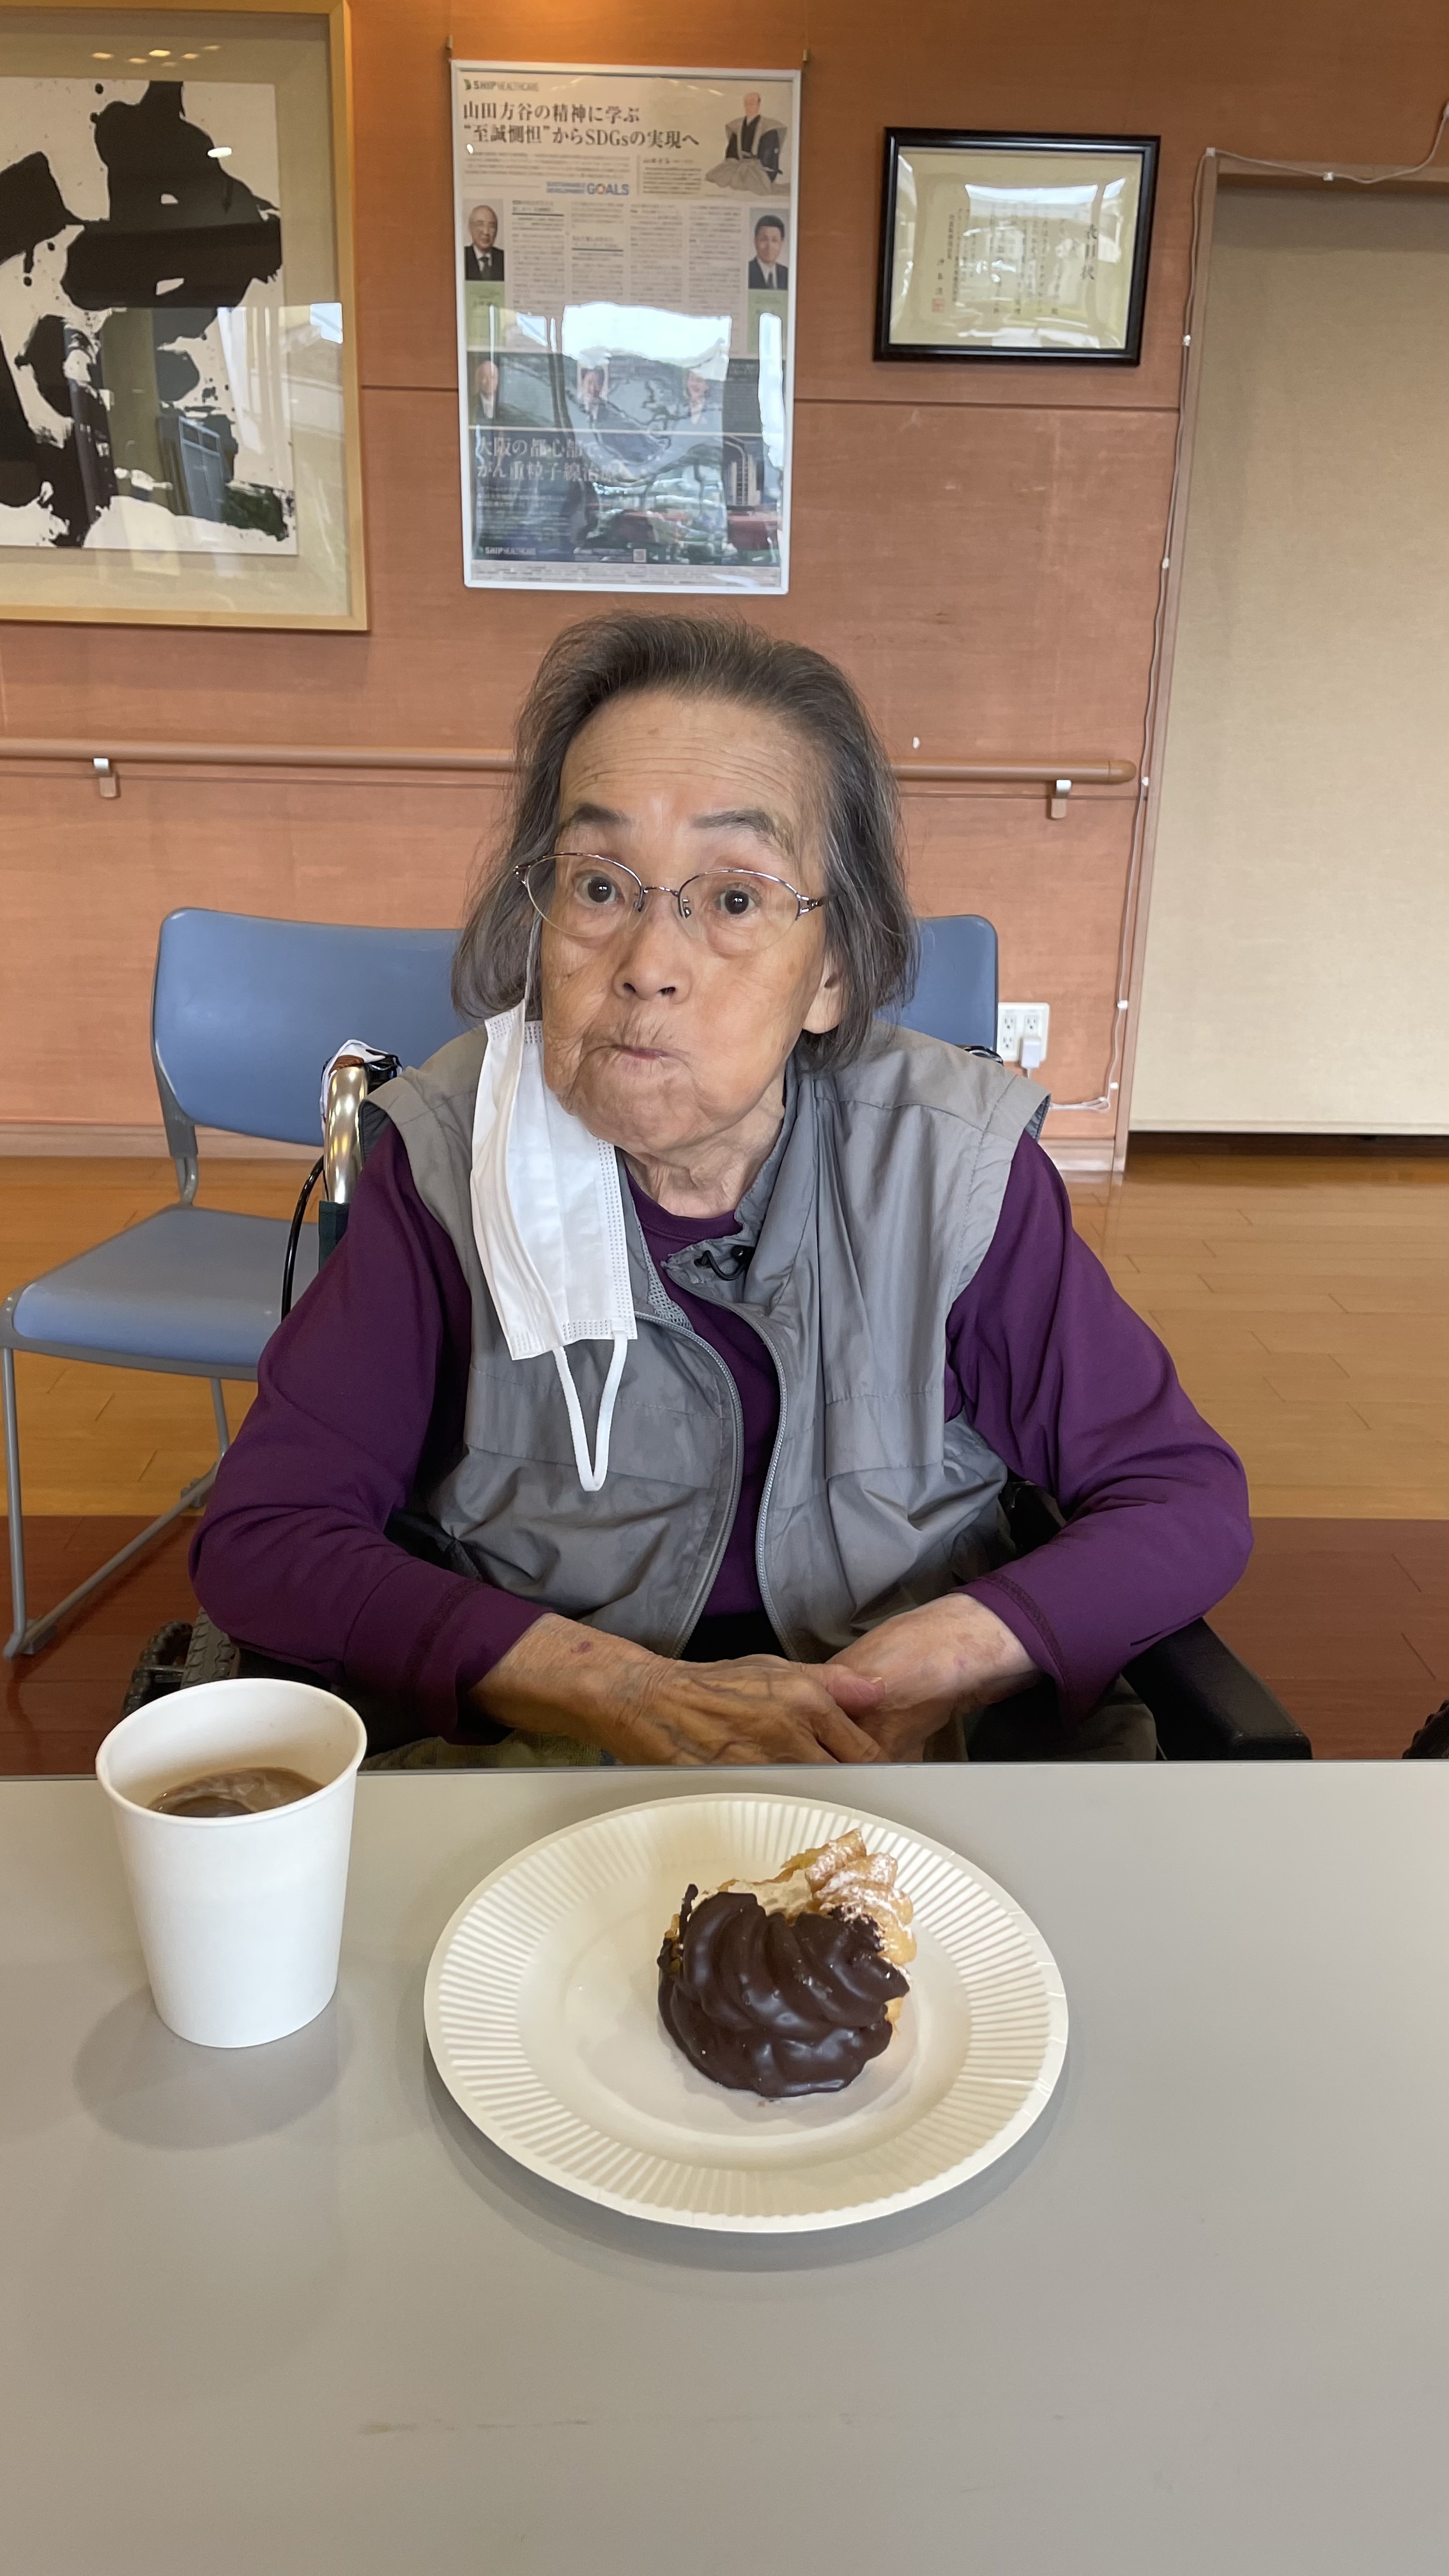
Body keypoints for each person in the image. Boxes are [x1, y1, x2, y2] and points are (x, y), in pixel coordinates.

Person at [192, 616, 1252, 1767]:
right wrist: (609, 1688)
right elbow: (266, 1539)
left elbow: (1177, 1499)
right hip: (552, 1765)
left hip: (907, 1761)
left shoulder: (954, 1170)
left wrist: (943, 1658)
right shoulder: (448, 1162)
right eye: (600, 884)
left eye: (737, 899)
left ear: (831, 970)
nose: (648, 963)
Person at [463, 205, 504, 282]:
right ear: (470, 228)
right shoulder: (462, 256)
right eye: (480, 224)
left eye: (491, 226)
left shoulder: (504, 258)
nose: (486, 232)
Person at [748, 218, 788, 291]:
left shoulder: (787, 274)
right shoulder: (746, 271)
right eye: (764, 239)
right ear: (755, 242)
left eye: (774, 240)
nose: (769, 246)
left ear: (782, 243)